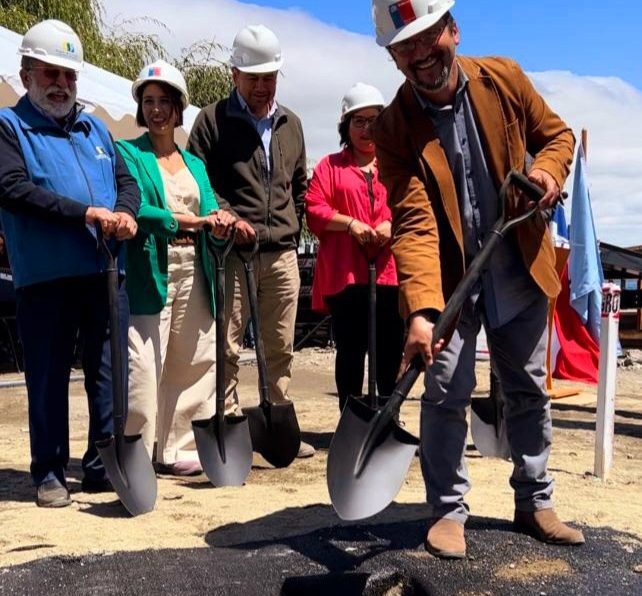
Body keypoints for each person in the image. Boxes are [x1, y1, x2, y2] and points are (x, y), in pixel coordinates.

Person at [370, 0, 585, 558]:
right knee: (444, 393)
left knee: (528, 388)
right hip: (448, 283)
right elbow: (414, 221)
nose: (421, 55)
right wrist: (420, 309)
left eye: (429, 37)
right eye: (405, 48)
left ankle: (535, 500)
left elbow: (559, 137)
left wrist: (544, 171)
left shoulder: (504, 79)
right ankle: (446, 510)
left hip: (518, 265)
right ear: (394, 59)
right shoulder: (394, 128)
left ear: (454, 30)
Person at [0, 20, 140, 507]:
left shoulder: (95, 127)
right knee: (48, 373)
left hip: (104, 274)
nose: (62, 84)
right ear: (26, 73)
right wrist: (85, 212)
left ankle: (102, 464)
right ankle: (50, 471)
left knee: (109, 372)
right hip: (46, 276)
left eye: (69, 76)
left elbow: (127, 182)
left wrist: (124, 213)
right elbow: (13, 189)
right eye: (51, 73)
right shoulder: (9, 126)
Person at [188, 24, 314, 458]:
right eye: (254, 77)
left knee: (280, 345)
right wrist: (226, 214)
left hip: (281, 255)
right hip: (231, 253)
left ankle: (277, 422)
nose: (263, 86)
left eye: (270, 77)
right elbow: (199, 178)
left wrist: (296, 222)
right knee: (226, 343)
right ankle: (231, 424)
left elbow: (300, 184)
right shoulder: (211, 121)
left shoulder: (291, 124)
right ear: (234, 75)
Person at [116, 61, 235, 476]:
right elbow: (137, 208)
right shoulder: (129, 153)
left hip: (194, 267)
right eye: (148, 101)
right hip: (152, 266)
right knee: (146, 361)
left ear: (178, 108)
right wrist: (186, 221)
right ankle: (138, 447)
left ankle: (176, 447)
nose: (156, 110)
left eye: (164, 101)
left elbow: (209, 207)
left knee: (192, 357)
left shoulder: (195, 164)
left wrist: (219, 221)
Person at [305, 83, 405, 412]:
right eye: (358, 121)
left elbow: (410, 205)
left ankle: (387, 416)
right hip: (347, 274)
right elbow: (314, 209)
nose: (366, 129)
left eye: (374, 120)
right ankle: (351, 418)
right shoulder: (330, 166)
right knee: (351, 349)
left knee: (390, 348)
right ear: (346, 126)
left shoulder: (397, 165)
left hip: (389, 274)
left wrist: (391, 225)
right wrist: (350, 223)